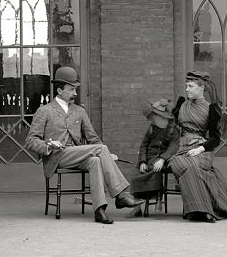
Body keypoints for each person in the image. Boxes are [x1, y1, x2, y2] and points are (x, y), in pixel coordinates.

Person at [26, 66, 142, 224]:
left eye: (76, 89)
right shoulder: (45, 111)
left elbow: (93, 139)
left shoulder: (79, 111)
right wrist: (48, 146)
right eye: (71, 89)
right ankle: (121, 194)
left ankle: (99, 210)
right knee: (101, 150)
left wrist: (106, 155)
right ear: (59, 90)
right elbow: (31, 140)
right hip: (57, 156)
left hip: (78, 155)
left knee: (96, 161)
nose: (75, 93)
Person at [167, 71, 227, 222]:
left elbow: (215, 139)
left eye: (191, 86)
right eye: (186, 86)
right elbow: (171, 131)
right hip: (180, 149)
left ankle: (200, 210)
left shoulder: (211, 108)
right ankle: (202, 210)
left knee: (195, 166)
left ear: (201, 88)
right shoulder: (181, 104)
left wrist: (199, 149)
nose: (187, 89)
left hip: (202, 149)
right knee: (189, 167)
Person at [129, 98, 180, 203]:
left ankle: (157, 198)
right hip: (150, 158)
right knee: (138, 174)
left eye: (154, 117)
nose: (152, 120)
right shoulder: (153, 128)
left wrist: (162, 159)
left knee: (155, 171)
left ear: (162, 117)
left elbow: (173, 147)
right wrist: (142, 161)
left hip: (165, 160)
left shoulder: (173, 130)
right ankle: (137, 206)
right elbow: (144, 145)